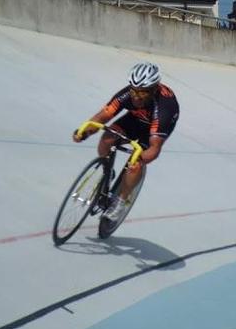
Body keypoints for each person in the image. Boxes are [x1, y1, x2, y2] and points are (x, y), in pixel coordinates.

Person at [73, 62, 179, 221]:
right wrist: (85, 132)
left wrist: (140, 160)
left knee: (135, 164)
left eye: (142, 93)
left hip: (154, 129)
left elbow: (154, 150)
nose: (136, 97)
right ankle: (107, 171)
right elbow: (103, 116)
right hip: (136, 119)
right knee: (107, 139)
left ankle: (122, 201)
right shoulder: (127, 94)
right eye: (134, 91)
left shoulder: (164, 108)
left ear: (153, 89)